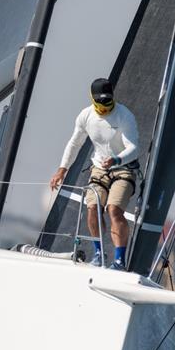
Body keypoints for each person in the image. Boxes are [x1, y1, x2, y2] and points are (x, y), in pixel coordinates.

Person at [49, 78, 139, 270]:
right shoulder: (85, 116)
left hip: (124, 167)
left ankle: (119, 260)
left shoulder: (124, 115)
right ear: (92, 99)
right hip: (99, 168)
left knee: (113, 209)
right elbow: (74, 144)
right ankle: (99, 253)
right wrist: (62, 169)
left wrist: (116, 160)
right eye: (100, 102)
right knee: (93, 208)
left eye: (108, 101)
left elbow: (134, 148)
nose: (104, 106)